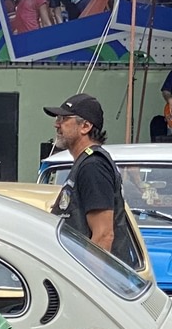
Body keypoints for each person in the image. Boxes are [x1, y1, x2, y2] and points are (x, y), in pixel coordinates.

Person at [47, 93, 140, 265]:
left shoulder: (93, 166)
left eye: (63, 118)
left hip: (96, 280)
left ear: (86, 126)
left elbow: (103, 235)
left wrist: (89, 287)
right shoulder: (85, 163)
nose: (56, 124)